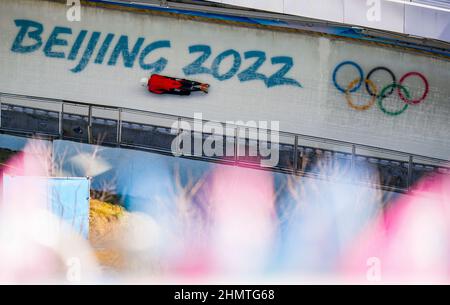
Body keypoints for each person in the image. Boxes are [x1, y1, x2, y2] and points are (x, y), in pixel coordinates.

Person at [141, 74, 209, 95]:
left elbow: (161, 92)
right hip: (173, 81)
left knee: (184, 89)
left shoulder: (151, 89)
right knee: (186, 82)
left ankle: (200, 89)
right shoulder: (153, 76)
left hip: (170, 87)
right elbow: (163, 77)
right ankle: (202, 84)